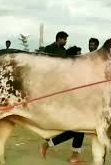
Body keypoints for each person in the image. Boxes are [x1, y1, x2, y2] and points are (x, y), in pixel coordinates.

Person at [40, 31, 85, 163]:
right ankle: (52, 145)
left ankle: (70, 154)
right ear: (59, 39)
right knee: (79, 128)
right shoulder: (50, 50)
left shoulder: (74, 68)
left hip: (73, 98)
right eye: (64, 39)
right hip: (63, 97)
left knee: (80, 128)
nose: (65, 41)